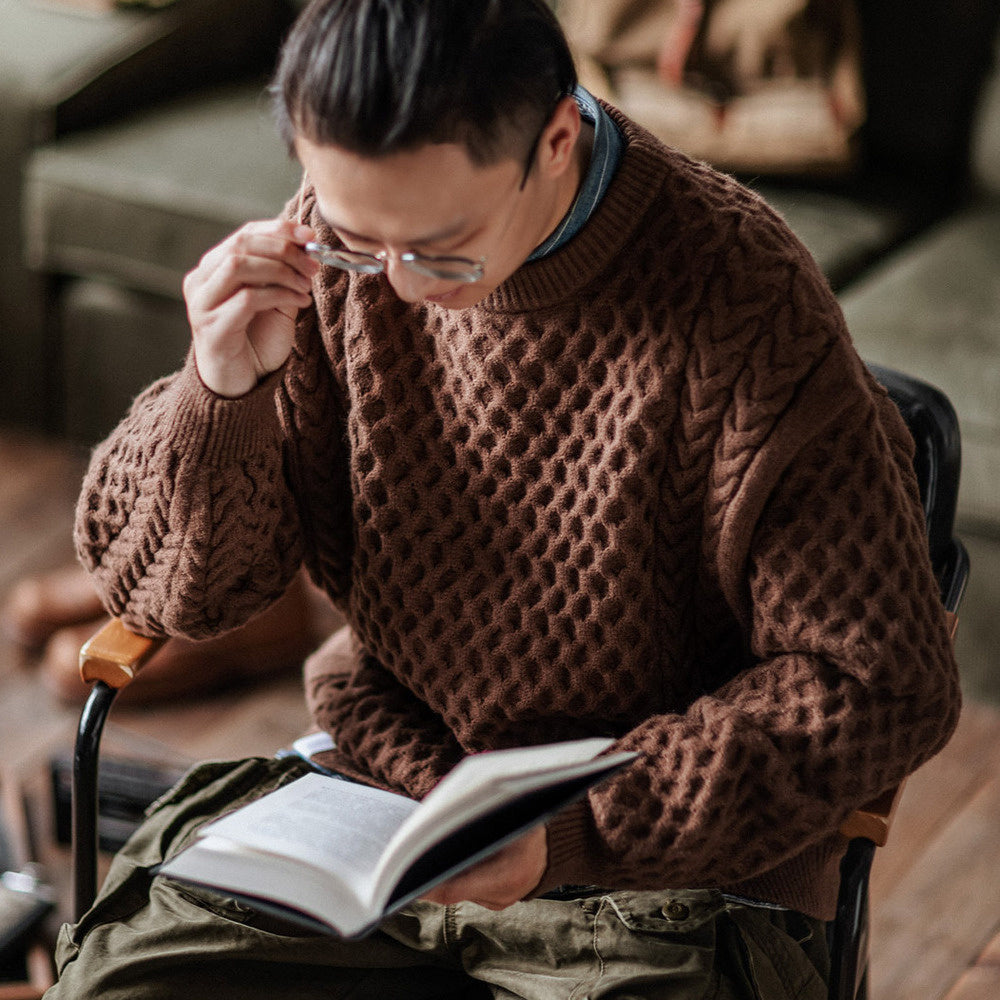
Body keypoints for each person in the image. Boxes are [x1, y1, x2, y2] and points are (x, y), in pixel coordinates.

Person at [46, 0, 961, 997]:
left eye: (440, 250)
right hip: (384, 806)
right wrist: (217, 393)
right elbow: (180, 602)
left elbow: (878, 682)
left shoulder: (744, 307)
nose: (394, 288)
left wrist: (573, 831)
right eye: (356, 238)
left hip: (665, 882)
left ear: (557, 138)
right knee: (117, 981)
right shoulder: (333, 257)